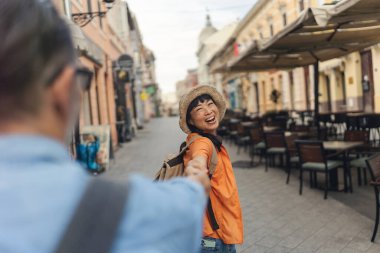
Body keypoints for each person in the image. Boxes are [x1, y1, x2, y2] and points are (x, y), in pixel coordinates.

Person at [0, 0, 210, 252]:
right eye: (83, 80)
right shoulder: (136, 213)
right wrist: (196, 184)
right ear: (64, 88)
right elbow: (184, 205)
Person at [180, 86, 244, 253]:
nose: (208, 111)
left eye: (210, 104)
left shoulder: (208, 140)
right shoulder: (203, 143)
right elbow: (199, 158)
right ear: (191, 121)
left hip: (217, 232)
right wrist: (196, 170)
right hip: (211, 239)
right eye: (199, 109)